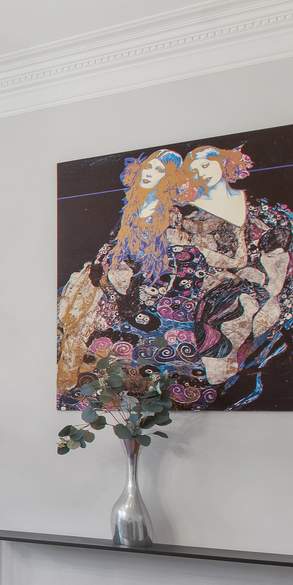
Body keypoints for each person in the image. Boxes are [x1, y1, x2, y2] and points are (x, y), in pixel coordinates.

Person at [57, 149, 197, 399]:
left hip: (140, 288)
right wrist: (103, 263)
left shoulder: (170, 213)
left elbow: (169, 256)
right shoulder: (134, 207)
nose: (149, 173)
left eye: (159, 170)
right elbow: (116, 241)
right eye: (149, 167)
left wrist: (129, 280)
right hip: (111, 282)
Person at [176, 144, 293, 406]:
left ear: (224, 165)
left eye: (205, 165)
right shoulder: (186, 215)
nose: (200, 173)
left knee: (251, 308)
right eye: (193, 170)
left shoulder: (260, 209)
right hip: (209, 286)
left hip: (253, 284)